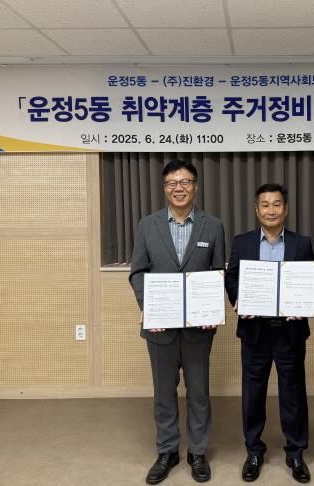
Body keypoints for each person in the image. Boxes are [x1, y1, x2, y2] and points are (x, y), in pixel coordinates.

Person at [129, 160, 225, 484]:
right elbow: (138, 272)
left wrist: (212, 310)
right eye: (172, 183)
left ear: (195, 186)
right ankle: (167, 451)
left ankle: (197, 452)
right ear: (164, 188)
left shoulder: (213, 225)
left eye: (185, 182)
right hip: (160, 327)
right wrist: (148, 307)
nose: (178, 188)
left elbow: (217, 273)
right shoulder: (148, 225)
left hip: (198, 328)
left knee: (198, 392)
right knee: (163, 393)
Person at [225, 183, 314, 484]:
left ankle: (296, 452)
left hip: (290, 331)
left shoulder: (302, 243)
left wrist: (302, 303)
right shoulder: (242, 242)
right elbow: (232, 277)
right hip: (255, 331)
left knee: (293, 393)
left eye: (277, 204)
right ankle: (254, 451)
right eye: (265, 204)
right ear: (257, 210)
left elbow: (311, 279)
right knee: (253, 394)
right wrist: (239, 299)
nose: (271, 210)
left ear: (285, 209)